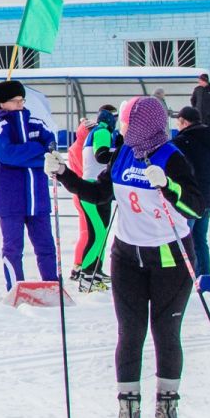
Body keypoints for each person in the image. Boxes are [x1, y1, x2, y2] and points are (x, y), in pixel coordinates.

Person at [48, 95, 205, 418]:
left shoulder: (172, 158)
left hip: (170, 259)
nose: (121, 127)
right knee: (130, 333)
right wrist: (64, 175)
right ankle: (128, 409)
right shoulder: (122, 155)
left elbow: (196, 207)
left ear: (144, 125)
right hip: (127, 259)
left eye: (127, 122)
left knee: (166, 333)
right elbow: (98, 193)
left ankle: (167, 407)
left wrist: (168, 186)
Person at [0, 79, 59, 291]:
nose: (20, 104)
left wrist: (33, 153)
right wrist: (36, 151)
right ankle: (15, 288)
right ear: (2, 103)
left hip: (38, 198)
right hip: (10, 199)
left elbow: (50, 147)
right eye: (15, 101)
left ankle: (52, 285)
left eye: (22, 100)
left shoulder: (36, 122)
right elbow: (7, 154)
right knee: (13, 247)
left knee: (46, 245)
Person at [68, 104, 120, 291]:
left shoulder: (101, 132)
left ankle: (95, 271)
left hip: (99, 188)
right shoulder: (102, 132)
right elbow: (101, 155)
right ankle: (87, 275)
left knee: (101, 234)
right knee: (96, 234)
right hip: (92, 188)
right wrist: (121, 152)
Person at [170, 105, 210, 277]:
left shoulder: (182, 141)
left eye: (178, 122)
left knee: (185, 239)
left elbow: (176, 169)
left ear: (184, 122)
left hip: (189, 198)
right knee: (200, 240)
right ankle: (204, 276)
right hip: (208, 195)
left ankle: (186, 277)